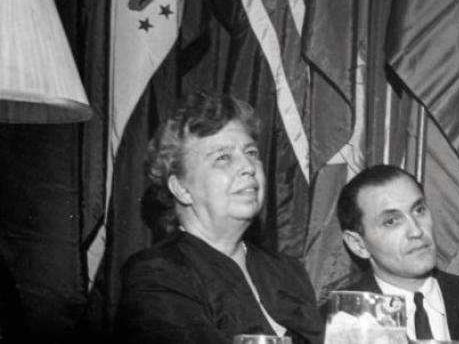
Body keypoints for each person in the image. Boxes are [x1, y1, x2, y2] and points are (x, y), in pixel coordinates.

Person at [114, 92, 323, 343]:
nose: (248, 167)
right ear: (182, 188)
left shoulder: (287, 270)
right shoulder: (157, 274)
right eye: (223, 158)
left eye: (252, 152)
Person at [335, 165, 459, 344]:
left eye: (419, 210)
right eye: (391, 221)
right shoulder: (342, 318)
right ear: (358, 244)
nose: (416, 231)